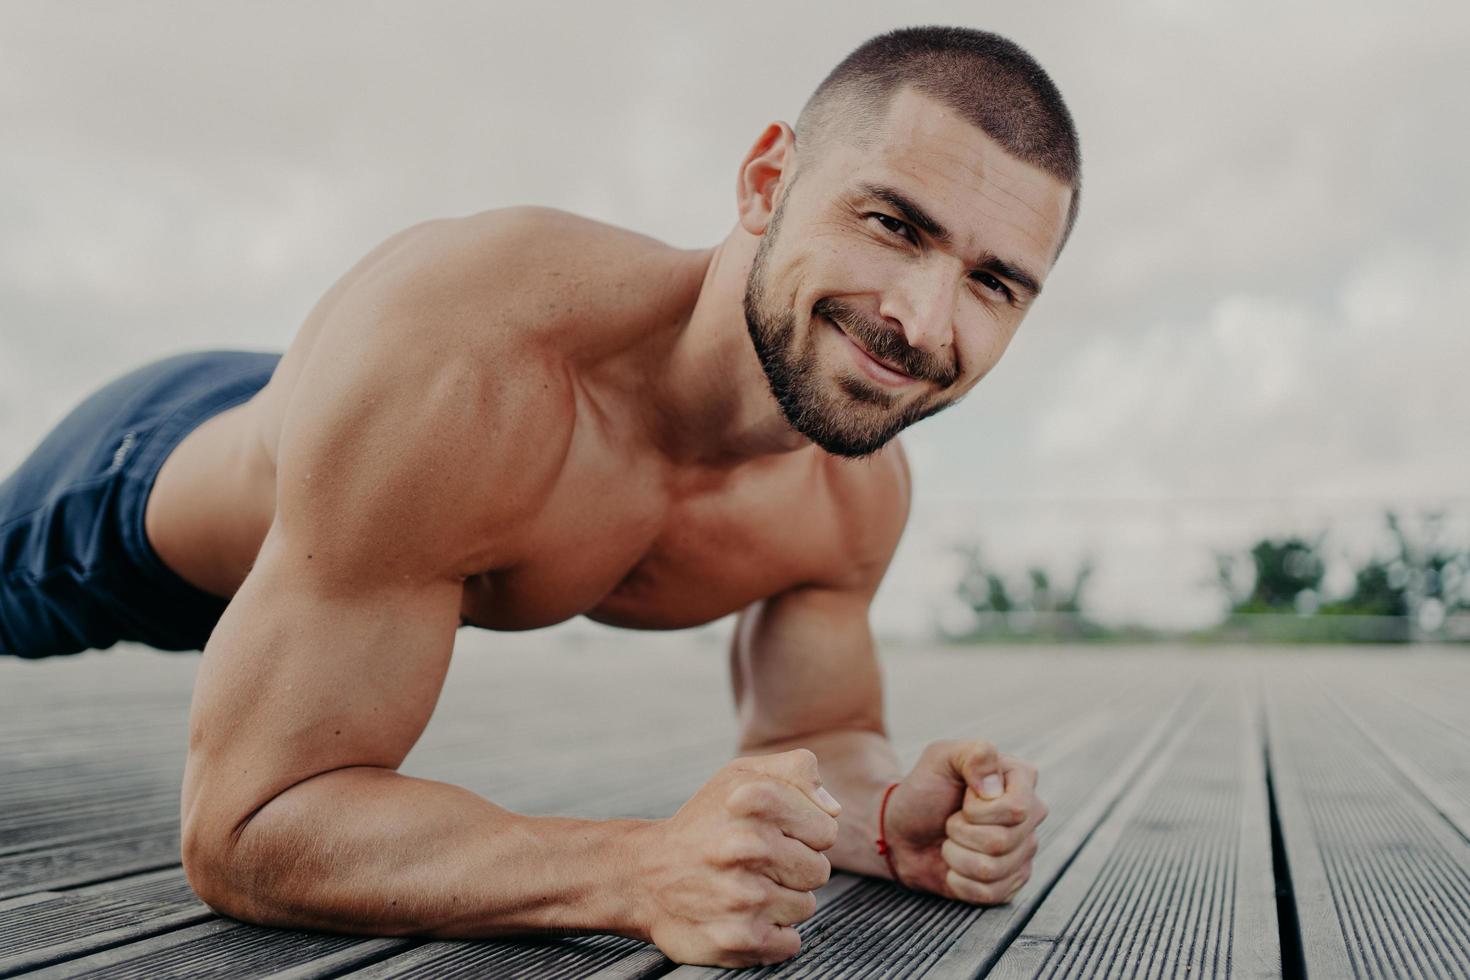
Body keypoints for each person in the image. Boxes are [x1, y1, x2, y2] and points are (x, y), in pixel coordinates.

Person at [0, 26, 1079, 968]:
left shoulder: (855, 490)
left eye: (993, 282)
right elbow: (248, 825)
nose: (926, 321)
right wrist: (638, 868)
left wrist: (889, 819)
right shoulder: (476, 365)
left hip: (346, 493)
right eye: (894, 223)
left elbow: (823, 729)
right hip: (134, 494)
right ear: (765, 183)